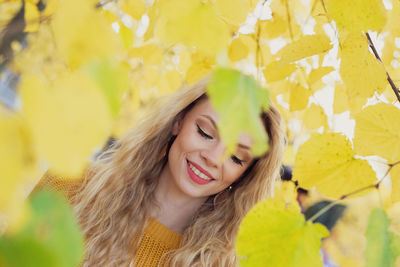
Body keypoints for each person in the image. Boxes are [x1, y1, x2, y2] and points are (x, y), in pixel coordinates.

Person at [36, 76, 285, 266]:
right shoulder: (66, 186)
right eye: (205, 133)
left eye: (235, 157)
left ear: (245, 175)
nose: (213, 159)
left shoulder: (223, 262)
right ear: (178, 121)